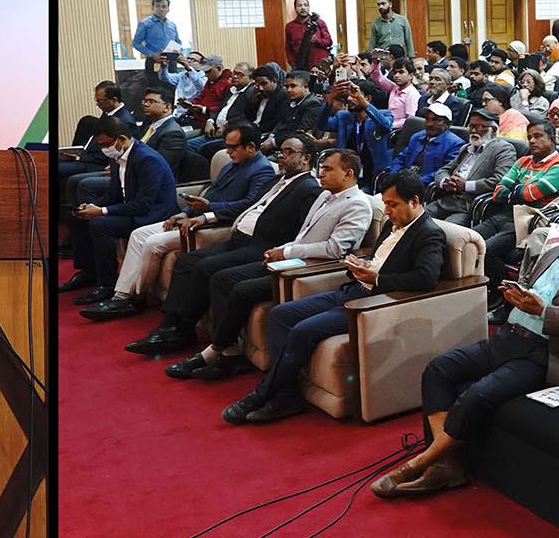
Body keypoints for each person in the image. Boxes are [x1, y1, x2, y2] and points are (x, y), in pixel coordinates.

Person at [373, 196, 559, 498]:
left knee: (475, 396)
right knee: (437, 369)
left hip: (542, 353)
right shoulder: (553, 252)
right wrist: (517, 297)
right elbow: (530, 285)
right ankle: (447, 464)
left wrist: (543, 312)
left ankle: (420, 463)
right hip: (506, 338)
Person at [220, 169, 445, 424]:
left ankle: (263, 393)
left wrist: (378, 279)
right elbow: (380, 259)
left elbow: (426, 278)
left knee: (302, 330)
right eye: (385, 204)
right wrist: (362, 263)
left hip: (372, 303)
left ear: (414, 202)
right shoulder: (390, 224)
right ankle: (285, 395)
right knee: (280, 314)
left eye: (392, 205)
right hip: (353, 289)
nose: (387, 211)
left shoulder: (429, 233)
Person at [182, 149, 376, 381]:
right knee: (222, 277)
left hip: (307, 270)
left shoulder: (357, 205)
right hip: (291, 260)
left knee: (242, 290)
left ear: (348, 173)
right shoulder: (325, 195)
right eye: (321, 168)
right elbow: (303, 235)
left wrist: (287, 252)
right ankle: (228, 349)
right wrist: (281, 250)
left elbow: (335, 249)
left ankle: (216, 352)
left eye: (327, 169)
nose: (320, 174)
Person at [126, 135, 320, 359]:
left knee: (205, 268)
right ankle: (170, 324)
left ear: (306, 158)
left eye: (288, 152)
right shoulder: (278, 180)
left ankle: (183, 330)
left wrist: (281, 252)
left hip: (261, 246)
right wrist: (208, 216)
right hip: (239, 238)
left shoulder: (308, 188)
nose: (281, 156)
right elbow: (249, 205)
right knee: (186, 261)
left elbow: (302, 231)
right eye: (281, 151)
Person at [79, 121, 277, 321]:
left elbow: (248, 205)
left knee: (152, 242)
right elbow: (211, 193)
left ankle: (130, 297)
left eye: (232, 147)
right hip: (196, 216)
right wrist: (186, 211)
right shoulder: (231, 165)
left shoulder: (263, 170)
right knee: (138, 235)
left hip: (215, 223)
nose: (227, 152)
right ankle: (121, 294)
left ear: (250, 147)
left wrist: (208, 210)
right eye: (226, 146)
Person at [62, 117, 179, 296]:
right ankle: (89, 272)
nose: (103, 150)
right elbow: (113, 195)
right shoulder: (117, 156)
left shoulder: (147, 159)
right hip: (133, 209)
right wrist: (92, 206)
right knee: (77, 218)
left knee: (100, 224)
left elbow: (143, 205)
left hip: (153, 215)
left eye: (105, 145)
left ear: (122, 139)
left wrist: (101, 211)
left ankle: (107, 284)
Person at [478, 122, 559, 315]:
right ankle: (482, 290)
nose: (532, 140)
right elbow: (498, 191)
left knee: (484, 251)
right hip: (503, 214)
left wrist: (514, 192)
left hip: (526, 222)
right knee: (469, 242)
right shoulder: (523, 161)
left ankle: (501, 298)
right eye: (529, 136)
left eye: (538, 136)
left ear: (552, 140)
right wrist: (518, 192)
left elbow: (531, 195)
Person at [428, 109, 517, 224]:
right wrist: (445, 182)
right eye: (471, 127)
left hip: (469, 206)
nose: (473, 131)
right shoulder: (466, 148)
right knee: (413, 220)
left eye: (479, 127)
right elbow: (444, 170)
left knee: (443, 230)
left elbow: (500, 180)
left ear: (493, 130)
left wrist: (466, 185)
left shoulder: (503, 149)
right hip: (445, 200)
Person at [324, 79, 395, 189]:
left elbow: (385, 125)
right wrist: (329, 100)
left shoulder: (384, 114)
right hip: (346, 173)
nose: (349, 99)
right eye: (348, 95)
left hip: (374, 175)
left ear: (368, 98)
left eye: (354, 95)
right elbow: (322, 125)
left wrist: (361, 99)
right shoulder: (343, 116)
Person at [386, 103, 465, 184]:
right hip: (403, 180)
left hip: (424, 185)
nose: (429, 124)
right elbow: (401, 158)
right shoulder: (417, 137)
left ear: (447, 124)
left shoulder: (455, 144)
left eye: (436, 120)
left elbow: (445, 171)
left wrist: (415, 183)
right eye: (427, 119)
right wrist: (394, 176)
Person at [131, 87, 188, 178]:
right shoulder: (149, 126)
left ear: (167, 107)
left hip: (153, 179)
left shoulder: (173, 133)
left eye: (151, 101)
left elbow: (158, 165)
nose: (145, 104)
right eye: (145, 101)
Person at [369, 57, 422, 129]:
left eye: (401, 72)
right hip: (388, 126)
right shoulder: (394, 88)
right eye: (395, 73)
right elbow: (378, 78)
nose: (396, 75)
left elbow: (410, 120)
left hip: (399, 131)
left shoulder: (412, 94)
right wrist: (376, 63)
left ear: (411, 75)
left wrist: (390, 124)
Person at [284, 0, 333, 71]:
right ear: (295, 8)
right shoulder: (290, 26)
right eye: (299, 5)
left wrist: (317, 40)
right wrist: (292, 63)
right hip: (301, 67)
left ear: (308, 7)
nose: (303, 8)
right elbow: (288, 48)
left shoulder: (319, 22)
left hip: (320, 66)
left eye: (305, 5)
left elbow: (329, 42)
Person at [131, 0, 179, 67]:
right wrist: (152, 54)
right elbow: (136, 43)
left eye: (164, 6)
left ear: (168, 9)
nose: (161, 9)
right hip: (153, 61)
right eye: (157, 6)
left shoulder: (172, 25)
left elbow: (177, 41)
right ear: (153, 8)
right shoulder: (145, 24)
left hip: (171, 62)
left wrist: (178, 52)